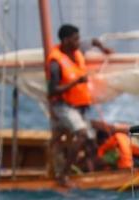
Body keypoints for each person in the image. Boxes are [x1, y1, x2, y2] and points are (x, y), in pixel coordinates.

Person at [47, 24, 113, 185]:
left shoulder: (78, 50)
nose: (78, 42)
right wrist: (75, 82)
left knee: (91, 142)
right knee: (81, 133)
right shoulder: (55, 62)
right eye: (75, 39)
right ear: (66, 40)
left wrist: (103, 49)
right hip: (63, 106)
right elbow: (52, 90)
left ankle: (92, 174)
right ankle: (63, 175)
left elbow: (93, 42)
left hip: (81, 107)